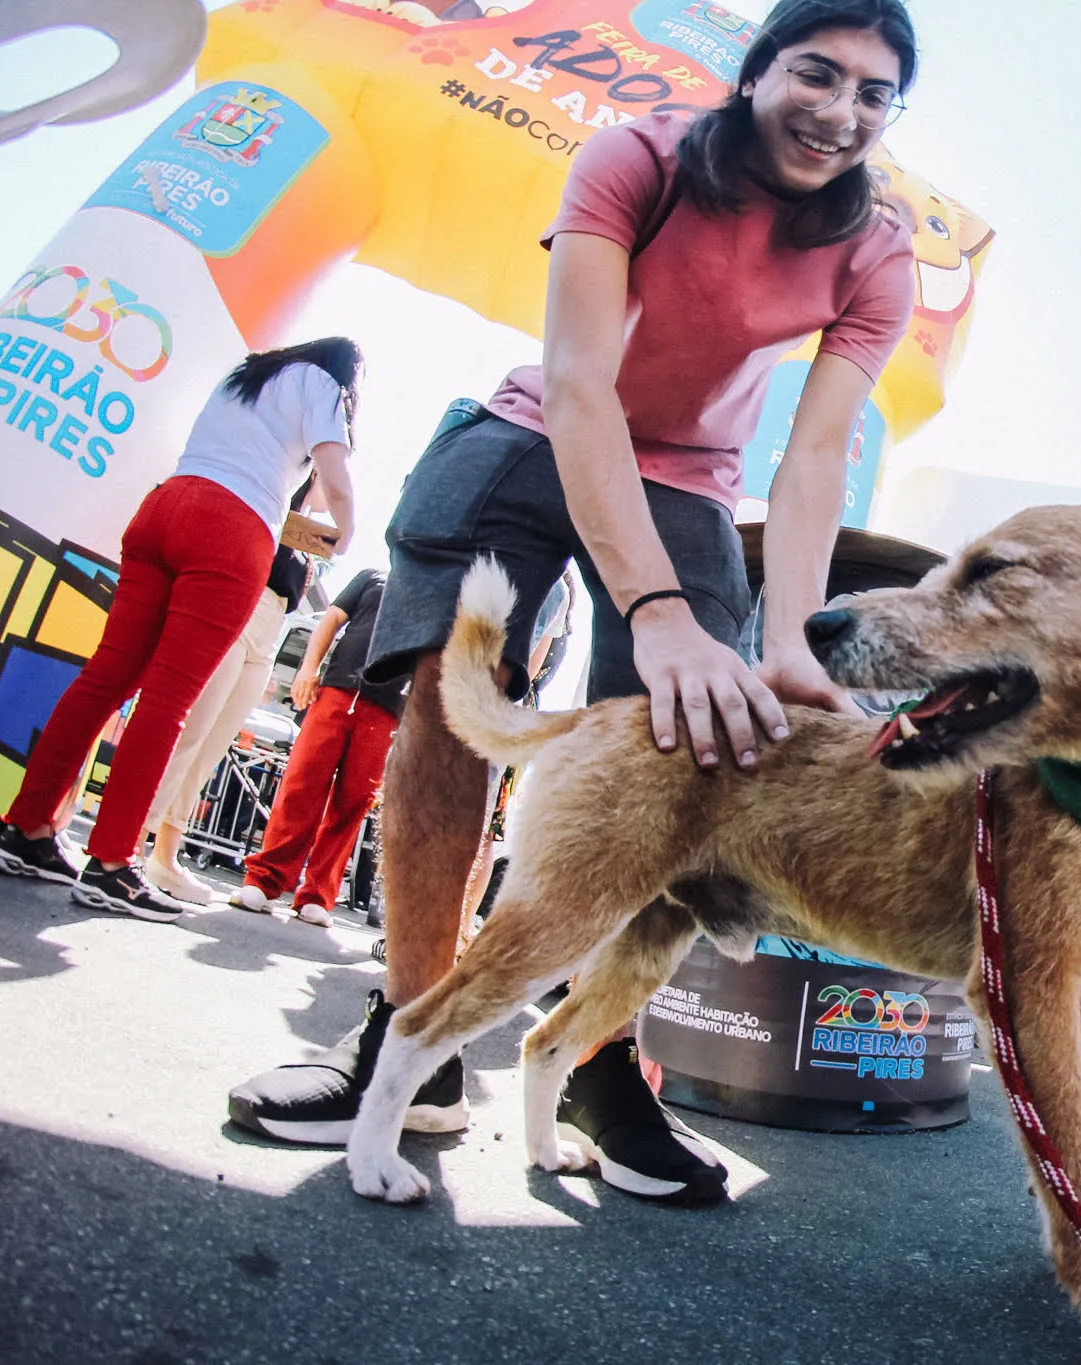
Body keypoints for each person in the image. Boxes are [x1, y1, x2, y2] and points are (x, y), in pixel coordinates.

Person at [226, 0, 921, 1200]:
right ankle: (412, 1038)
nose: (841, 110)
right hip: (538, 432)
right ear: (756, 74)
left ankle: (599, 1068)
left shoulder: (878, 250)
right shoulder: (637, 156)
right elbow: (580, 383)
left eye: (874, 93)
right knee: (451, 707)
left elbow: (810, 461)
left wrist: (795, 642)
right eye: (817, 72)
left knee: (681, 762)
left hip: (695, 485)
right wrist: (652, 609)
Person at [0, 340, 358, 920]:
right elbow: (334, 479)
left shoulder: (246, 377)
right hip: (232, 530)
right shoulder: (323, 386)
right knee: (169, 699)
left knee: (104, 677)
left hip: (166, 504)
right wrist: (347, 530)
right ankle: (111, 863)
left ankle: (27, 829)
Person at [139, 482, 322, 905]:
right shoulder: (274, 499)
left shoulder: (306, 534)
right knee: (192, 732)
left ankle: (165, 854)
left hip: (269, 630)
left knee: (212, 746)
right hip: (243, 604)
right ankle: (132, 842)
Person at [229, 568, 405, 926]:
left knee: (352, 803)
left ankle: (318, 894)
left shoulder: (441, 595)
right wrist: (308, 667)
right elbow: (333, 618)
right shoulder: (373, 576)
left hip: (386, 712)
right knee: (301, 785)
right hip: (336, 692)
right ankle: (266, 880)